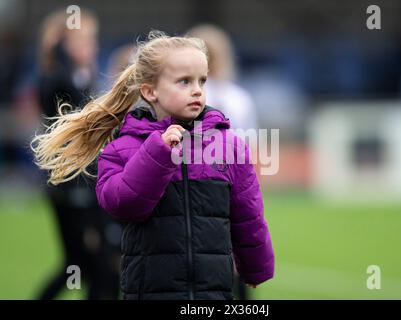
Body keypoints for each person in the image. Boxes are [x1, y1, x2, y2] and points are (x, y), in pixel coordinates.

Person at [31, 30, 274, 300]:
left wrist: (255, 267)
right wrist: (157, 153)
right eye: (184, 81)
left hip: (212, 292)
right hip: (150, 290)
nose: (197, 90)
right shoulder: (123, 146)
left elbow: (248, 213)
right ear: (150, 91)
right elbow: (122, 204)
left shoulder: (228, 145)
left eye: (201, 81)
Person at [34, 9, 121, 300]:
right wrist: (60, 50)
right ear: (63, 45)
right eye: (84, 40)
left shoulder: (82, 77)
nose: (92, 47)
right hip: (72, 186)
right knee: (89, 264)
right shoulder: (58, 78)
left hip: (85, 183)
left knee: (87, 265)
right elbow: (77, 119)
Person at [187, 24, 259, 299]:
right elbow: (250, 156)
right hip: (233, 190)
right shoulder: (239, 97)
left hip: (197, 191)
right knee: (237, 264)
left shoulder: (187, 97)